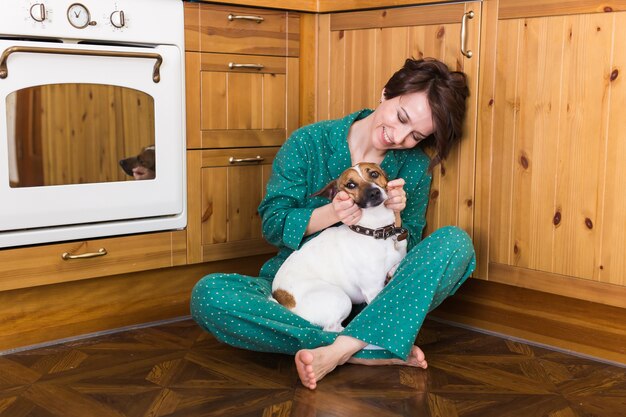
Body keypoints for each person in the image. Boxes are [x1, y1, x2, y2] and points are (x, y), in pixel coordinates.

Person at [190, 57, 476, 390]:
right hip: (301, 294)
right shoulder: (308, 143)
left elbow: (406, 252)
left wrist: (398, 214)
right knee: (209, 295)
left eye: (415, 135)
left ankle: (341, 346)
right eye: (400, 117)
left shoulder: (412, 166)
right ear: (386, 93)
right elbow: (272, 224)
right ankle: (364, 344)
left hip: (381, 296)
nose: (398, 136)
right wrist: (332, 213)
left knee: (456, 243)